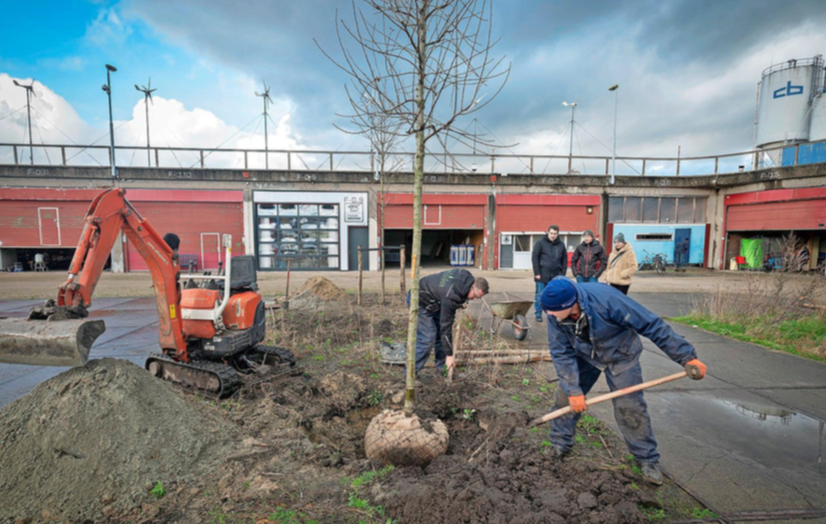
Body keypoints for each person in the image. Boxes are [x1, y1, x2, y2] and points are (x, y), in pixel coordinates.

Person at [540, 277, 707, 485]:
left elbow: (651, 324)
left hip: (621, 354)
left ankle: (647, 459)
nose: (548, 315)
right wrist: (574, 390)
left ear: (569, 304)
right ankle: (559, 443)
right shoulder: (556, 316)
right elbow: (561, 352)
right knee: (565, 398)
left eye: (552, 311)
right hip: (585, 355)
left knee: (630, 407)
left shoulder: (607, 300)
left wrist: (686, 356)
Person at [410, 269, 489, 374]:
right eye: (475, 296)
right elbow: (445, 328)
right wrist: (449, 355)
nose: (474, 300)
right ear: (472, 287)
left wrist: (462, 300)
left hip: (436, 300)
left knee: (441, 338)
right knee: (427, 338)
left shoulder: (466, 276)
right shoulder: (451, 297)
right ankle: (410, 374)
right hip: (419, 300)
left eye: (477, 298)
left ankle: (442, 371)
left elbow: (455, 290)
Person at [531, 225, 569, 322]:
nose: (553, 235)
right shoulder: (540, 243)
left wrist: (562, 274)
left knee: (553, 295)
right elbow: (535, 258)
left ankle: (552, 313)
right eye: (551, 233)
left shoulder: (561, 245)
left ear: (557, 234)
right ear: (548, 232)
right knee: (540, 294)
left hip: (555, 275)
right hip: (542, 274)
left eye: (555, 234)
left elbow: (564, 260)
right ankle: (538, 313)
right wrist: (537, 272)